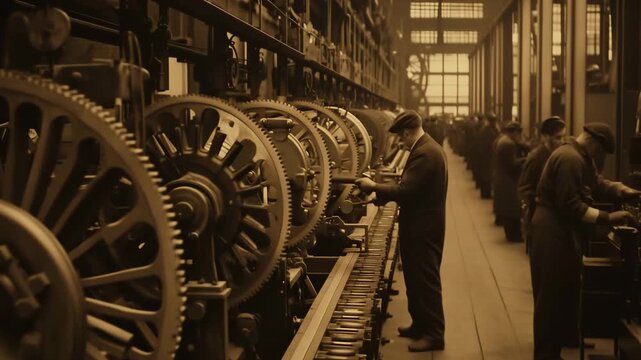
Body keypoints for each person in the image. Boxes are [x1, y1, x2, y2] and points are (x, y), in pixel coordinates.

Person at [530, 123, 641, 360]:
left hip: (561, 230)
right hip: (552, 231)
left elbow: (596, 182)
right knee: (550, 296)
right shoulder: (569, 159)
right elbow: (570, 205)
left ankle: (563, 339)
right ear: (594, 142)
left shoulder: (579, 156)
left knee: (566, 289)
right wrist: (607, 217)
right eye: (602, 151)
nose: (601, 157)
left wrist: (621, 190)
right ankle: (545, 354)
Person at [356, 110, 448, 352]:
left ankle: (434, 334)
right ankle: (420, 325)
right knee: (415, 279)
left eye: (401, 138)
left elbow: (407, 191)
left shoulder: (426, 154)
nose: (401, 143)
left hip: (423, 229)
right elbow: (412, 190)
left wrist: (373, 185)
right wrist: (379, 197)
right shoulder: (427, 148)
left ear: (408, 132)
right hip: (420, 225)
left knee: (425, 280)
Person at [518, 116, 566, 253]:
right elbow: (524, 188)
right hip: (539, 218)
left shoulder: (555, 155)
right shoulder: (536, 158)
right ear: (545, 137)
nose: (562, 142)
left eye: (563, 138)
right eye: (558, 138)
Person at [492, 121, 527, 242]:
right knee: (513, 208)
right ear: (514, 132)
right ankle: (514, 235)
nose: (519, 136)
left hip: (501, 177)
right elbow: (512, 163)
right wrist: (526, 159)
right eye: (518, 133)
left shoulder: (501, 139)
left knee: (508, 207)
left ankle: (511, 234)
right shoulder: (509, 144)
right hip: (508, 180)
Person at [477, 113, 500, 199]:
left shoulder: (486, 129)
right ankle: (486, 193)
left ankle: (485, 192)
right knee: (487, 175)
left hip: (485, 155)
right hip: (488, 155)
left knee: (486, 174)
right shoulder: (490, 130)